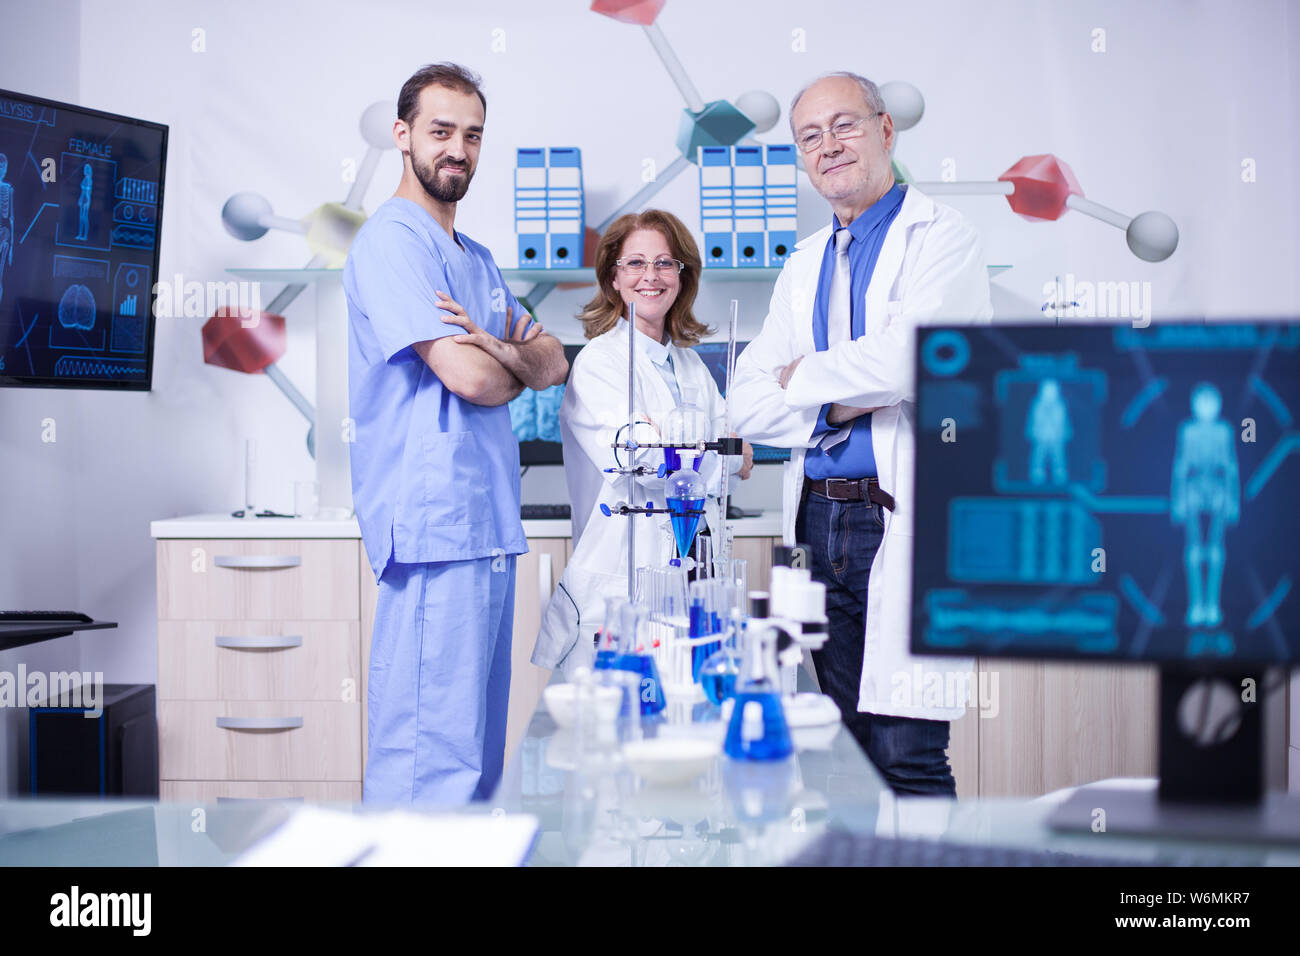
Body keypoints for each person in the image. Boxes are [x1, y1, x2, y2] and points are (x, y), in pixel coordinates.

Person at [730, 71, 993, 796]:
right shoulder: (803, 263)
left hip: (897, 519)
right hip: (818, 521)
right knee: (841, 759)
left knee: (907, 754)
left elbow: (913, 355)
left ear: (885, 130)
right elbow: (749, 403)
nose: (828, 146)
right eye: (810, 137)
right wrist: (844, 399)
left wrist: (805, 382)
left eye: (843, 125)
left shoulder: (945, 238)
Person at [344, 63, 568, 805]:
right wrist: (506, 359)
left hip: (488, 528)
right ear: (402, 135)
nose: (458, 150)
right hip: (436, 528)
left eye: (472, 136)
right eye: (441, 131)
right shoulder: (392, 243)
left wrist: (498, 350)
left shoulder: (476, 262)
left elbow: (552, 360)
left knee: (475, 764)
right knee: (427, 767)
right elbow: (474, 380)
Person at [531, 210, 753, 673]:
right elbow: (646, 463)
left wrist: (687, 446)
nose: (650, 277)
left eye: (665, 263)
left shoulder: (690, 366)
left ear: (681, 275)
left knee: (687, 722)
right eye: (635, 263)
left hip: (696, 574)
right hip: (624, 583)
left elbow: (737, 455)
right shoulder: (598, 363)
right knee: (616, 730)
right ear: (613, 277)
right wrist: (707, 450)